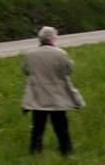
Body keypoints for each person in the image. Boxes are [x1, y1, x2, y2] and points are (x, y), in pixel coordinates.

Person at [21, 25, 80, 156]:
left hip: (38, 96)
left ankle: (35, 151)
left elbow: (25, 70)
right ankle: (66, 151)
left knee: (37, 127)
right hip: (56, 97)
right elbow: (68, 70)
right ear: (53, 39)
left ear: (40, 39)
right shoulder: (60, 53)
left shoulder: (30, 54)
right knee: (61, 126)